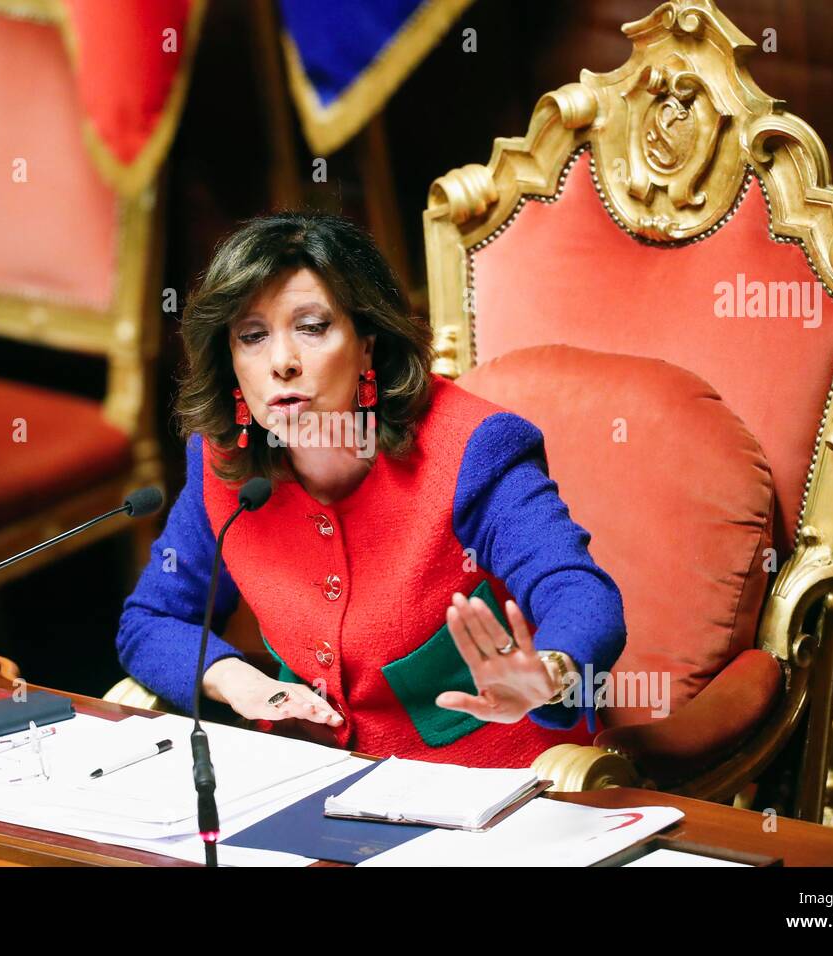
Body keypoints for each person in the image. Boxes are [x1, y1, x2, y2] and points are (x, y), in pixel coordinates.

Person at [116, 212, 625, 768]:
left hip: (497, 784)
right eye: (252, 336)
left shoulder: (473, 448)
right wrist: (236, 680)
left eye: (311, 327)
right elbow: (150, 621)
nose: (281, 362)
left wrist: (548, 674)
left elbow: (580, 592)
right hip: (315, 785)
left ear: (367, 346)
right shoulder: (222, 463)